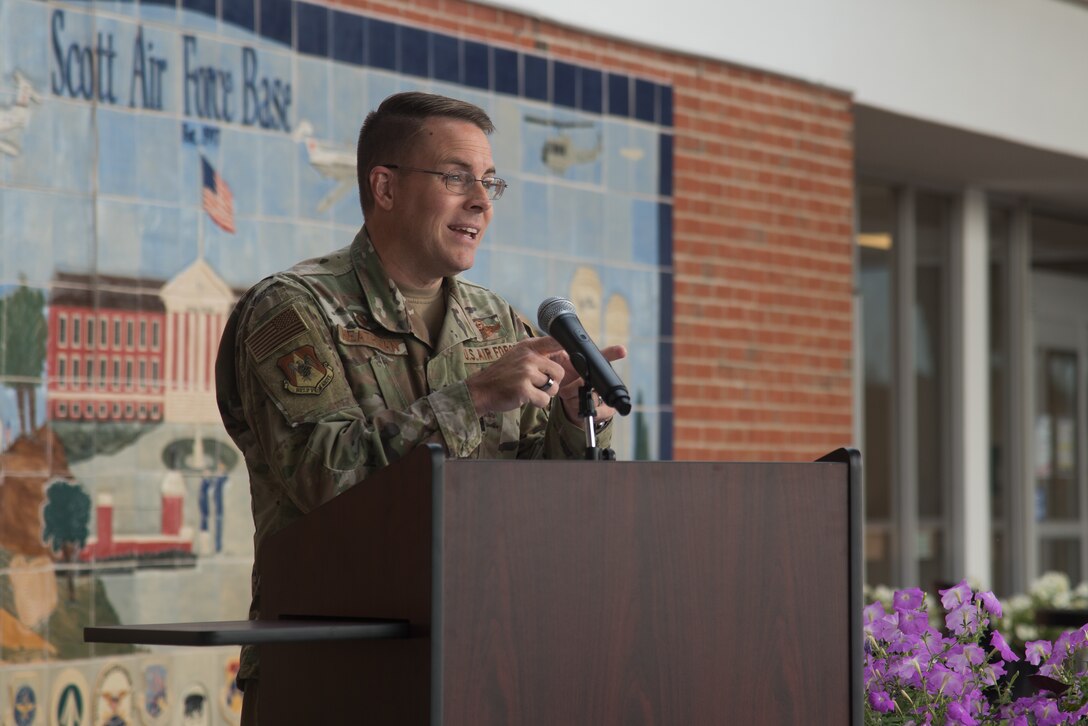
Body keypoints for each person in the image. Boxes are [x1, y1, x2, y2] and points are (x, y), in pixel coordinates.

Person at [214, 91, 626, 723]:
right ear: (384, 186)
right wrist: (475, 397)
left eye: (489, 182)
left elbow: (551, 503)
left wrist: (574, 420)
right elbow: (323, 475)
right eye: (456, 177)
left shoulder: (496, 323)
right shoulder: (292, 311)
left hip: (486, 660)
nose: (482, 201)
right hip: (334, 674)